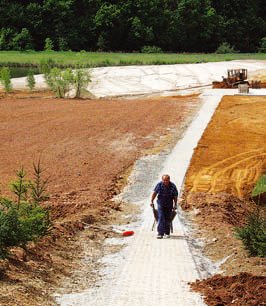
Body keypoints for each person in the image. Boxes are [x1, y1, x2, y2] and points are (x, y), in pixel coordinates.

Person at [150, 174, 178, 239]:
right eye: (164, 180)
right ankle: (160, 233)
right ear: (162, 180)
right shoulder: (159, 185)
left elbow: (175, 196)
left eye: (167, 180)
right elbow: (155, 193)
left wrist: (175, 204)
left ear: (169, 180)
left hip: (169, 204)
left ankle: (167, 232)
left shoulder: (173, 186)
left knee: (168, 218)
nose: (165, 181)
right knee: (161, 217)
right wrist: (151, 201)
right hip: (161, 204)